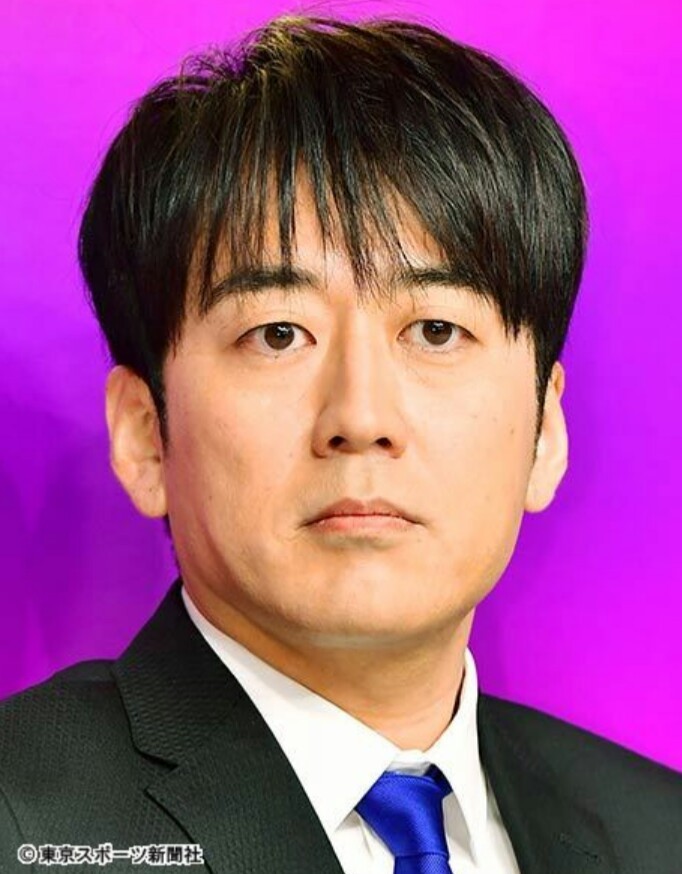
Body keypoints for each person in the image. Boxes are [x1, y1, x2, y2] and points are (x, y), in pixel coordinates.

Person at [0, 13, 680, 874]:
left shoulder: (660, 833)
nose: (361, 417)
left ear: (545, 431)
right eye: (278, 334)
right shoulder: (23, 824)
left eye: (436, 330)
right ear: (145, 435)